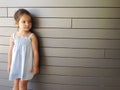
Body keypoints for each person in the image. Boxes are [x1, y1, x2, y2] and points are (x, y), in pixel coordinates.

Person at [8, 9, 39, 90]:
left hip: (26, 66)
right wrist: (9, 64)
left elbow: (35, 52)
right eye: (24, 21)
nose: (27, 24)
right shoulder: (13, 36)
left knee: (22, 85)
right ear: (17, 23)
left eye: (29, 21)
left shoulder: (32, 36)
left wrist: (35, 66)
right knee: (16, 83)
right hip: (15, 65)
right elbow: (10, 51)